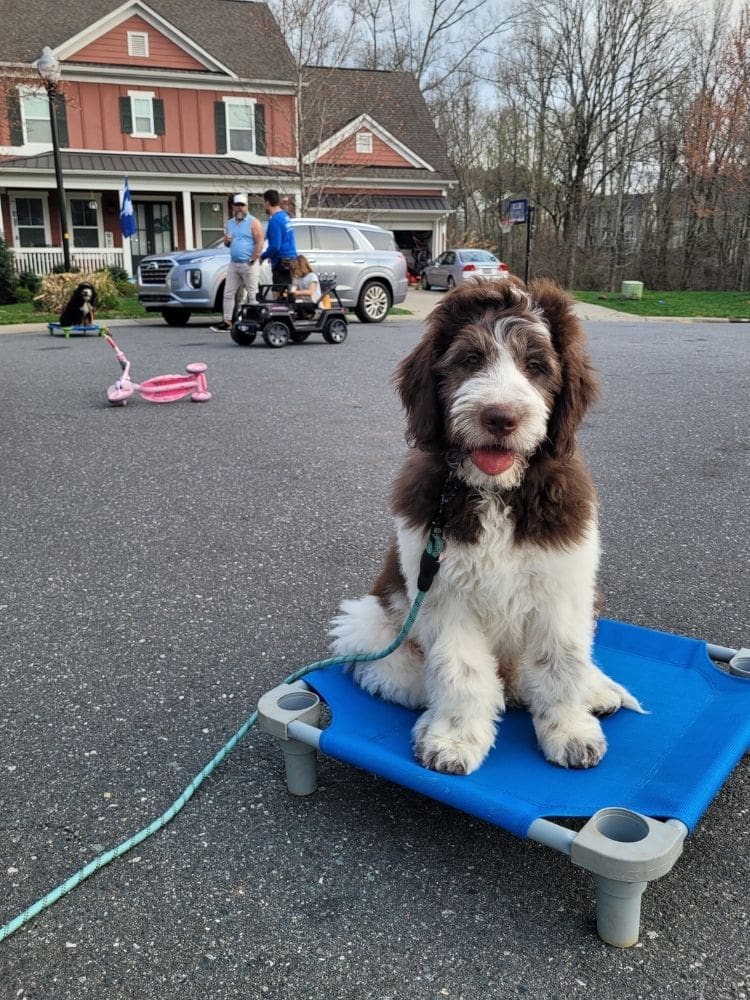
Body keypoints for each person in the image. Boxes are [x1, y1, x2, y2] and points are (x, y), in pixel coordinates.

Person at [210, 193, 264, 333]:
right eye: (237, 205)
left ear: (247, 206)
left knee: (252, 294)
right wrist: (227, 241)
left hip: (249, 263)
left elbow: (260, 241)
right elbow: (228, 243)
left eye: (242, 205)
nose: (240, 208)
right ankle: (227, 321)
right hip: (234, 263)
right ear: (233, 206)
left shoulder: (253, 222)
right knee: (228, 293)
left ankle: (255, 322)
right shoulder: (230, 223)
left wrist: (254, 258)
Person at [260, 189, 298, 294]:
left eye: (264, 202)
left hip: (281, 261)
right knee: (288, 292)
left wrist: (263, 256)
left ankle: (280, 310)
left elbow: (275, 246)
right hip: (291, 259)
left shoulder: (275, 220)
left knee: (278, 293)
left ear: (267, 203)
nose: (263, 205)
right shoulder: (284, 216)